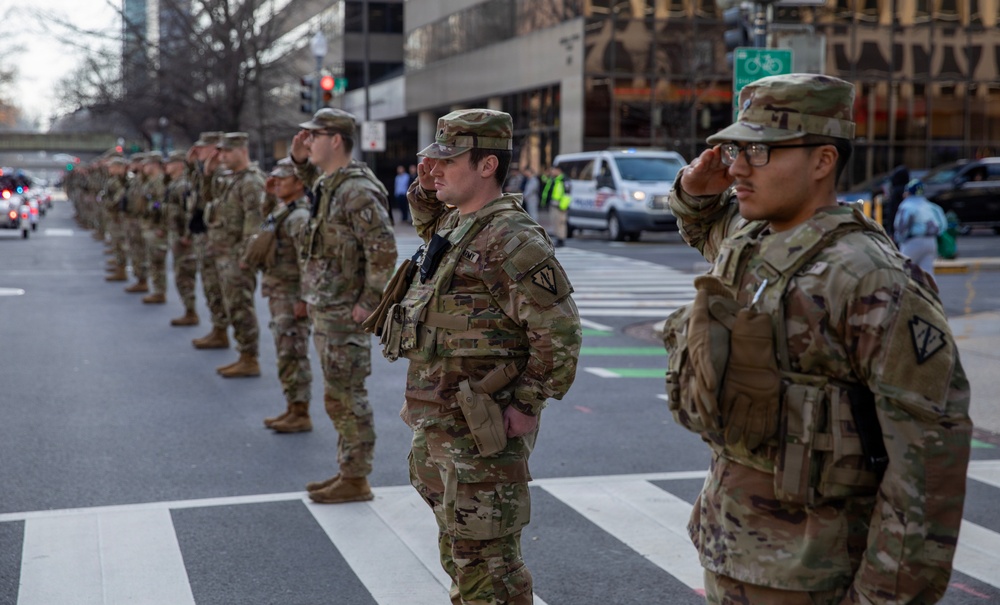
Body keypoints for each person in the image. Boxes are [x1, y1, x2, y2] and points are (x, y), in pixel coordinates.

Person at [662, 73, 972, 605]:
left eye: (759, 151)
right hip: (729, 553)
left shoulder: (870, 278)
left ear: (823, 160)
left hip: (815, 578)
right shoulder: (755, 240)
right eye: (737, 149)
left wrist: (882, 598)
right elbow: (707, 225)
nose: (737, 166)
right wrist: (692, 189)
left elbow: (927, 464)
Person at [385, 109, 581, 604]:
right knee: (462, 549)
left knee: (489, 565)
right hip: (440, 416)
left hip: (480, 424)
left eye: (448, 161)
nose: (435, 170)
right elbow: (429, 221)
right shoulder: (459, 223)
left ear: (487, 165)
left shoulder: (510, 236)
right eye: (434, 160)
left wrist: (528, 403)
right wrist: (429, 186)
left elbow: (559, 331)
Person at [289, 108, 397, 503]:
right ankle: (348, 471)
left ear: (335, 140)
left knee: (347, 395)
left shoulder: (356, 190)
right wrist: (298, 157)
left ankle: (356, 477)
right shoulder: (331, 184)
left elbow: (383, 250)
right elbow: (306, 178)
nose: (307, 142)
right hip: (328, 305)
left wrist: (369, 302)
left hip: (344, 309)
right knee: (337, 393)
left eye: (314, 136)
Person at [247, 159, 314, 433]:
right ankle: (292, 407)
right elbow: (264, 218)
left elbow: (307, 261)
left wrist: (304, 298)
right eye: (273, 179)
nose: (276, 184)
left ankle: (300, 412)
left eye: (282, 180)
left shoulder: (299, 217)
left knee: (293, 352)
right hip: (279, 291)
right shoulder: (283, 209)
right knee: (284, 352)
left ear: (299, 183)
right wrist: (268, 190)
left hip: (290, 292)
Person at [210, 132, 265, 378]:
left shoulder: (251, 182)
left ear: (242, 150)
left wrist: (246, 259)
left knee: (241, 307)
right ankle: (243, 354)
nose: (222, 156)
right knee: (234, 305)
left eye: (227, 151)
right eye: (220, 151)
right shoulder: (233, 179)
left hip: (238, 257)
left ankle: (249, 357)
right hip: (227, 254)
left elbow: (254, 225)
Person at [190, 132, 232, 348]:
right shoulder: (207, 171)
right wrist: (200, 170)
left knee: (229, 295)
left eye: (203, 148)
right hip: (209, 239)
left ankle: (244, 350)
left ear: (215, 148)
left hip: (224, 243)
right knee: (211, 287)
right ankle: (218, 329)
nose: (199, 152)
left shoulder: (224, 173)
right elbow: (201, 201)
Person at [163, 150, 200, 325]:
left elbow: (189, 213)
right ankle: (188, 309)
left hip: (183, 239)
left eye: (170, 163)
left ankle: (191, 311)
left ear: (179, 164)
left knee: (184, 274)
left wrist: (187, 236)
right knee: (181, 274)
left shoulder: (183, 185)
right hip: (176, 235)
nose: (166, 166)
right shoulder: (174, 183)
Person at [893, 179, 949, 276]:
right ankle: (930, 291)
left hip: (913, 241)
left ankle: (904, 291)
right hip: (931, 242)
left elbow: (902, 226)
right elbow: (943, 225)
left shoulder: (907, 205)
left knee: (903, 271)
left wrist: (899, 240)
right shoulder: (931, 206)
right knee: (927, 274)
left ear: (908, 192)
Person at [139, 152, 169, 304]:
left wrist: (162, 227)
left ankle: (159, 291)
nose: (144, 167)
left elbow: (164, 207)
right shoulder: (151, 181)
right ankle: (157, 289)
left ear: (155, 165)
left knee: (157, 262)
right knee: (153, 260)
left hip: (157, 227)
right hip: (150, 225)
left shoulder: (160, 182)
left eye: (147, 164)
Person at [102, 157, 130, 282]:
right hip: (114, 216)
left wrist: (108, 203)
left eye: (112, 167)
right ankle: (120, 267)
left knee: (120, 242)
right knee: (117, 242)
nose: (109, 169)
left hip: (119, 216)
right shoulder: (115, 180)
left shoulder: (121, 181)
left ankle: (122, 269)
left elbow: (119, 198)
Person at [542, 164, 571, 246]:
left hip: (560, 205)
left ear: (559, 170)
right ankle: (558, 238)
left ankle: (561, 239)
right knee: (555, 222)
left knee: (561, 222)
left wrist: (563, 206)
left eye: (554, 170)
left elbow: (567, 194)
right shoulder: (554, 179)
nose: (552, 171)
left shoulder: (564, 180)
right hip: (553, 204)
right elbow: (544, 180)